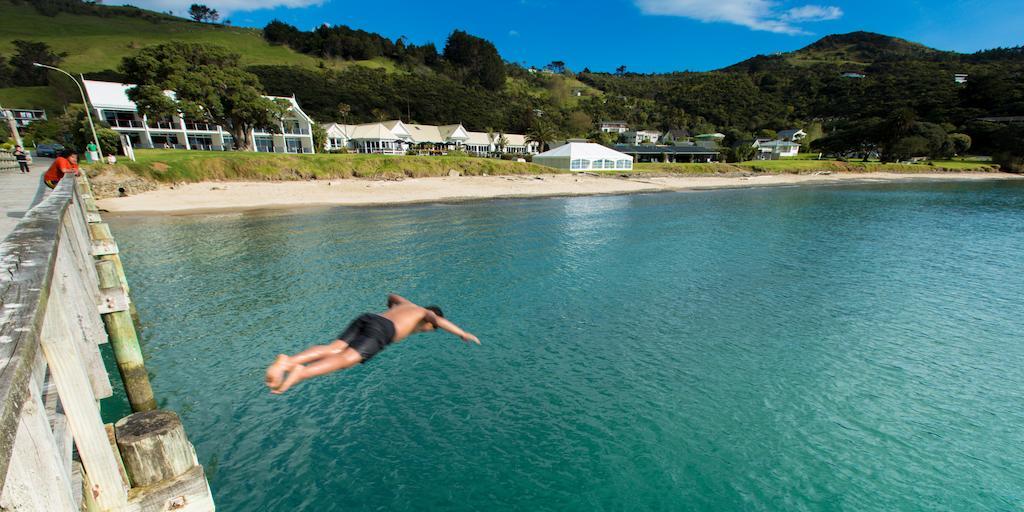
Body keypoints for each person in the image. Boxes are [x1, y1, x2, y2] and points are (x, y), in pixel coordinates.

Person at [265, 294, 480, 394]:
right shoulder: (425, 314)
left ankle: (288, 361)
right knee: (345, 360)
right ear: (429, 323)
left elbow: (392, 296)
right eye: (428, 329)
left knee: (333, 348)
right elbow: (438, 320)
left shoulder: (408, 305)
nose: (423, 331)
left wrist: (390, 309)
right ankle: (300, 373)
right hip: (382, 331)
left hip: (369, 318)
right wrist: (462, 333)